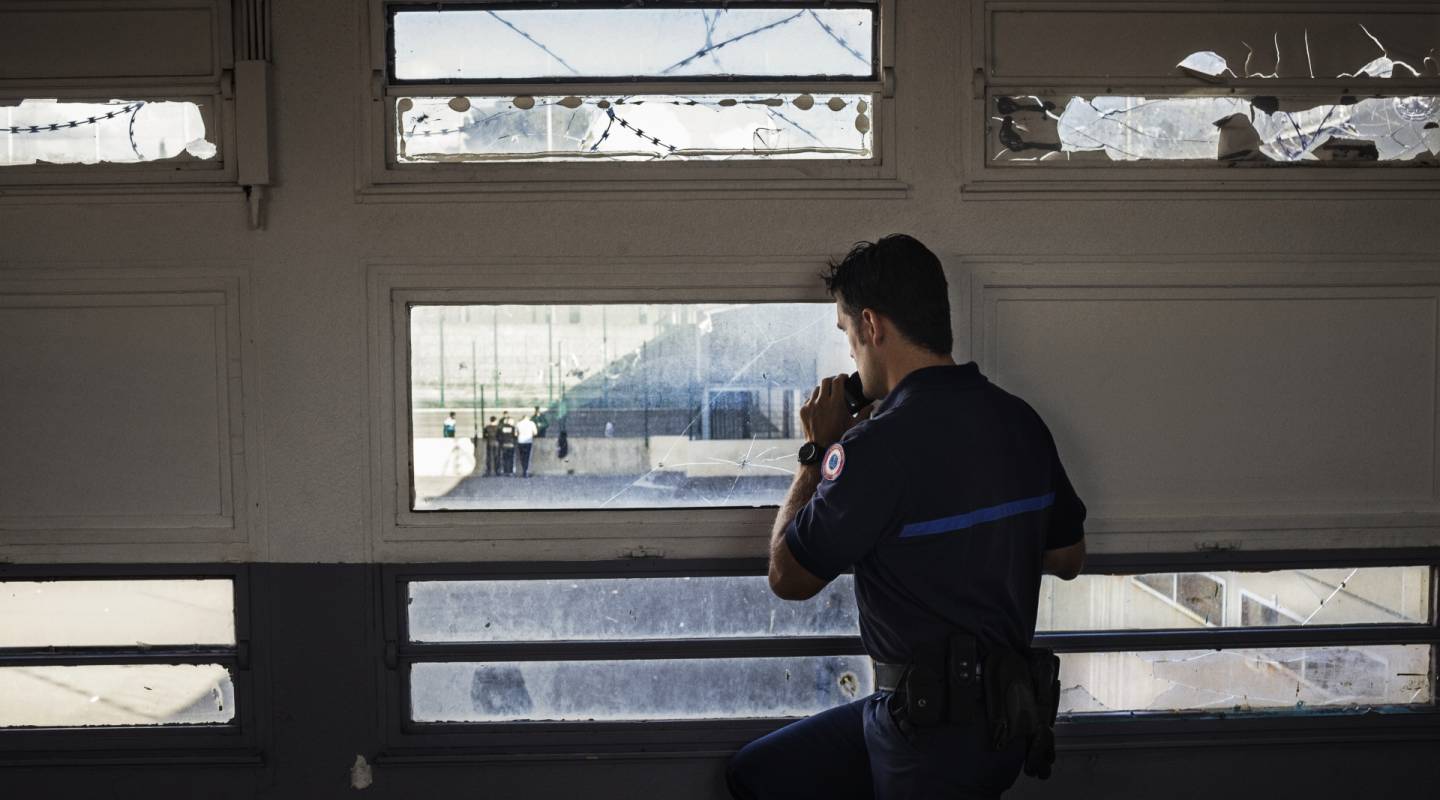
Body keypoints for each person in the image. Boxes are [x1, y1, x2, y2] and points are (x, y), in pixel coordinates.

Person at [727, 235, 1087, 800]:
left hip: (924, 739)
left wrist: (818, 453)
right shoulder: (1020, 422)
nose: (850, 354)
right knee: (760, 771)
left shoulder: (876, 451)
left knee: (760, 780)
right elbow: (1067, 558)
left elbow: (788, 577)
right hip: (1006, 724)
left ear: (871, 326)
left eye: (847, 334)